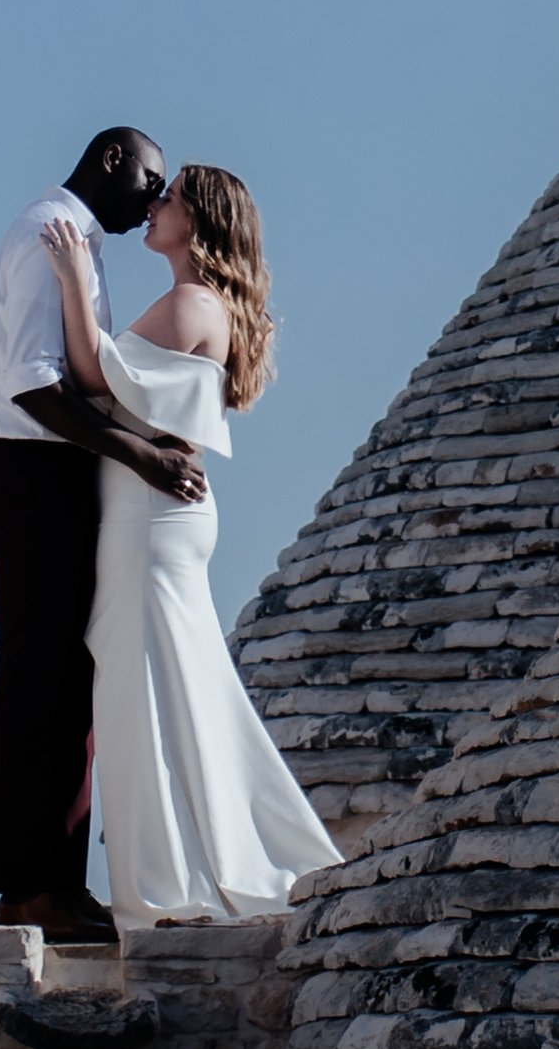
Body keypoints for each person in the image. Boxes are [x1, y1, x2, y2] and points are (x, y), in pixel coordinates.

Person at [40, 164, 342, 928]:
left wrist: (74, 278)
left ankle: (170, 883)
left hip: (149, 520)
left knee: (142, 692)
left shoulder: (191, 302)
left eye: (166, 198)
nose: (153, 205)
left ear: (197, 221)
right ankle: (188, 867)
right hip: (156, 517)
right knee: (170, 687)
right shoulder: (200, 302)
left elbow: (94, 377)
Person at [0, 129, 207, 943]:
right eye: (151, 178)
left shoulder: (78, 244)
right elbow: (34, 384)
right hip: (29, 471)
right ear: (113, 161)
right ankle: (35, 887)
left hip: (46, 474)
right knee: (42, 681)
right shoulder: (50, 236)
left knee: (66, 683)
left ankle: (50, 883)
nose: (154, 195)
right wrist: (140, 455)